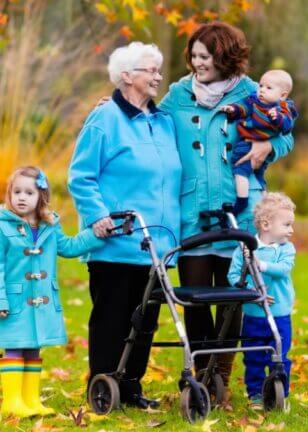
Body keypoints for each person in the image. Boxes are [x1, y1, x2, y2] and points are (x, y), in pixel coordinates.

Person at [156, 22, 295, 396]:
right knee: (196, 299)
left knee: (235, 298)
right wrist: (118, 102)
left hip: (242, 208)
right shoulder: (178, 94)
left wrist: (270, 147)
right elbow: (149, 117)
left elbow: (287, 133)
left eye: (205, 56)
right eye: (194, 55)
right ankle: (202, 377)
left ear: (224, 57)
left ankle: (221, 376)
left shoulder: (253, 92)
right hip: (194, 211)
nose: (197, 63)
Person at [68, 42, 181, 409]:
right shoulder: (104, 119)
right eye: (151, 69)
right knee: (112, 319)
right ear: (127, 76)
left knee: (145, 321)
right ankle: (103, 384)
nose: (158, 76)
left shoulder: (163, 122)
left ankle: (131, 388)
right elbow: (81, 176)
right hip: (117, 241)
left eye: (159, 70)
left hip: (157, 244)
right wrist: (98, 216)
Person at [0, 166, 104, 417]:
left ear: (41, 197)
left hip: (41, 303)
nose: (22, 197)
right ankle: (12, 402)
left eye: (29, 192)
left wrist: (96, 235)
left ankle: (30, 400)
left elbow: (70, 247)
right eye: (16, 191)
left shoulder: (49, 226)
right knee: (15, 346)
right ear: (9, 194)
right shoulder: (0, 229)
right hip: (13, 302)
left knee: (34, 348)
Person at [227, 192, 296, 409]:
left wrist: (262, 265)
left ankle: (280, 394)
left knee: (280, 356)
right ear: (266, 224)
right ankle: (255, 394)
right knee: (254, 356)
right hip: (254, 315)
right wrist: (252, 292)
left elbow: (284, 270)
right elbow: (233, 277)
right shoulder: (245, 249)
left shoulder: (286, 249)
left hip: (280, 314)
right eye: (286, 225)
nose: (291, 230)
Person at [220, 69, 298, 215]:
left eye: (268, 88)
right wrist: (233, 109)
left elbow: (287, 127)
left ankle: (242, 201)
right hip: (248, 140)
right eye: (261, 86)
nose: (262, 90)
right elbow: (244, 108)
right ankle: (264, 203)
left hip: (252, 144)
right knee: (257, 176)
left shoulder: (283, 109)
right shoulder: (254, 100)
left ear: (283, 95)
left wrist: (278, 118)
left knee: (240, 171)